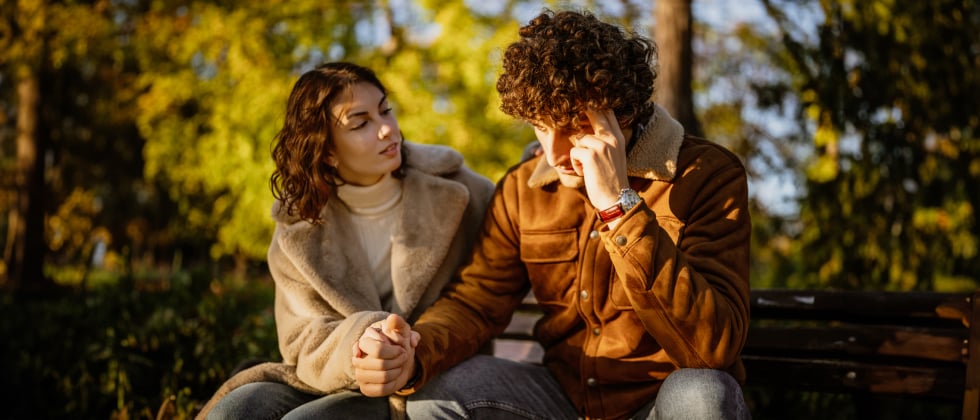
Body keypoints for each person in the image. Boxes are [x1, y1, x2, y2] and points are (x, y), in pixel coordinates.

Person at [352, 10, 752, 420]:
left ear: (624, 113)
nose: (555, 154)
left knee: (702, 394)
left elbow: (712, 347)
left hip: (659, 404)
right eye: (541, 127)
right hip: (562, 400)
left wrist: (619, 206)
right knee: (439, 390)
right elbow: (476, 303)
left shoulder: (707, 175)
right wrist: (413, 354)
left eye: (574, 126)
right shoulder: (522, 189)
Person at [196, 62, 495, 419]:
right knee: (236, 410)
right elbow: (301, 339)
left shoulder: (459, 189)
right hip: (336, 377)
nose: (387, 129)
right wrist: (360, 345)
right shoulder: (298, 226)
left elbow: (516, 215)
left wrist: (538, 160)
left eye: (385, 110)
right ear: (326, 151)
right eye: (361, 123)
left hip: (430, 379)